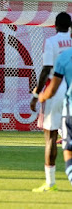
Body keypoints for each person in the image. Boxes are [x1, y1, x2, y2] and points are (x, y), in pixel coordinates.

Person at [30, 12, 72, 192]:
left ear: (55, 25)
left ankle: (50, 182)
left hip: (55, 88)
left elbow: (46, 69)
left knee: (51, 136)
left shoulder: (51, 42)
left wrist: (37, 93)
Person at [38, 47, 72, 188]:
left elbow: (53, 85)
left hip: (69, 106)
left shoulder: (64, 56)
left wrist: (40, 96)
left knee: (68, 152)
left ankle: (51, 183)